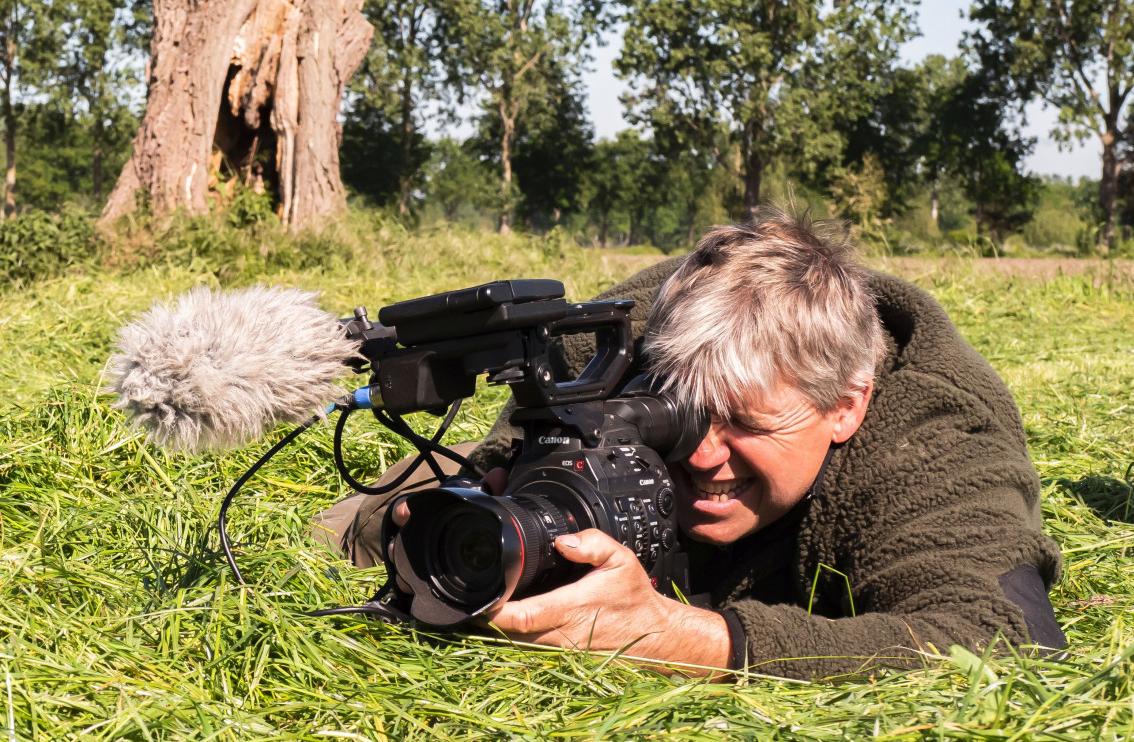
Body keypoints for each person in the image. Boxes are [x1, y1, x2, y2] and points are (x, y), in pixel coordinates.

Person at [318, 214, 1065, 680]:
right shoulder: (614, 344)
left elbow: (1000, 639)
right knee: (387, 515)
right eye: (680, 417)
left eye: (747, 426)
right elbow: (503, 465)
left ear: (846, 406)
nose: (705, 456)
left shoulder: (932, 434)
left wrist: (691, 640)